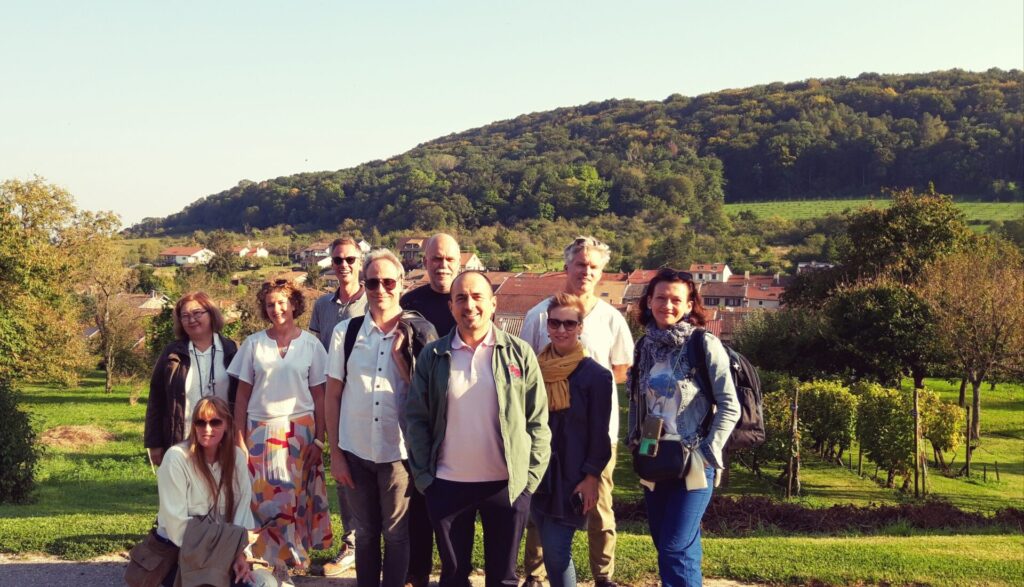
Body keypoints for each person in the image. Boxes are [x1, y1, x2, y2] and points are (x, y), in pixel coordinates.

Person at [406, 270, 550, 587]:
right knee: (454, 577)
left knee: (503, 579)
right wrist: (425, 479)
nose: (469, 305)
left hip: (506, 486)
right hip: (447, 485)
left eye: (477, 296)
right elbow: (415, 417)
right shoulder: (434, 354)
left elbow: (538, 421)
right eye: (460, 298)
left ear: (493, 303)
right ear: (451, 307)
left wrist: (529, 481)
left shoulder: (519, 353)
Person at [519, 236, 633, 587]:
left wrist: (578, 390)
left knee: (598, 505)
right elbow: (526, 366)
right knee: (538, 507)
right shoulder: (539, 314)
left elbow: (620, 370)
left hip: (597, 433)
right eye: (580, 264)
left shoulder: (612, 318)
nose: (586, 271)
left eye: (593, 266)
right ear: (567, 266)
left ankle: (603, 575)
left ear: (601, 272)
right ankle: (535, 574)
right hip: (545, 432)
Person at [325, 249, 437, 587]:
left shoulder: (420, 331)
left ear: (401, 283)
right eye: (373, 282)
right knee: (366, 533)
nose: (381, 289)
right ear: (365, 284)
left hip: (398, 453)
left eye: (388, 282)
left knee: (397, 533)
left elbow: (431, 397)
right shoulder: (346, 332)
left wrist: (405, 363)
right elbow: (332, 395)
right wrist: (336, 455)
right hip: (356, 450)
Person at [626, 268, 740, 586]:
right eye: (660, 297)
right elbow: (639, 401)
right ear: (649, 301)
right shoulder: (643, 346)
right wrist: (635, 440)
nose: (668, 305)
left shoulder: (703, 345)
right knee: (669, 545)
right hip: (653, 454)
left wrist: (707, 452)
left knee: (675, 548)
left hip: (693, 460)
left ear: (690, 305)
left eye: (677, 299)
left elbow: (730, 405)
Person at [228, 280, 332, 586]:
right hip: (260, 431)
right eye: (271, 304)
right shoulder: (253, 344)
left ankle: (285, 564)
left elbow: (321, 395)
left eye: (283, 302)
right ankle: (266, 565)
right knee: (264, 501)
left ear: (295, 304)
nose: (277, 309)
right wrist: (238, 436)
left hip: (299, 430)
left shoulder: (312, 345)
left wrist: (319, 438)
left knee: (294, 499)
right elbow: (242, 396)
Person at [530, 293, 612, 587]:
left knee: (555, 551)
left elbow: (599, 434)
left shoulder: (596, 376)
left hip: (571, 477)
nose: (561, 330)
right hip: (538, 475)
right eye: (555, 323)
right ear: (547, 325)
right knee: (549, 547)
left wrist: (591, 478)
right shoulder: (534, 369)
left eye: (569, 323)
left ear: (580, 327)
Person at [155, 396, 273, 587]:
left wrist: (241, 555)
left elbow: (242, 514)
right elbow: (177, 530)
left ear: (226, 424)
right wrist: (232, 542)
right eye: (200, 422)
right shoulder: (176, 459)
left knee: (264, 583)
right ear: (193, 426)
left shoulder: (237, 458)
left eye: (215, 422)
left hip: (224, 553)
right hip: (183, 555)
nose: (207, 429)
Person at [398, 232, 461, 587]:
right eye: (436, 259)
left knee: (454, 503)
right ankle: (417, 573)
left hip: (463, 415)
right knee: (419, 500)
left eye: (449, 259)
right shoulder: (410, 303)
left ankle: (455, 574)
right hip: (421, 415)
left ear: (459, 261)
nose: (443, 265)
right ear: (424, 263)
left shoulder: (469, 298)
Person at [309, 236, 367, 577]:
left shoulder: (374, 300)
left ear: (359, 262)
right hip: (336, 403)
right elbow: (316, 358)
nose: (343, 265)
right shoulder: (322, 306)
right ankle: (353, 543)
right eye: (337, 260)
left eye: (349, 259)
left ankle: (380, 543)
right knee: (344, 474)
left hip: (369, 402)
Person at [145, 291, 239, 468]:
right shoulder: (172, 354)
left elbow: (241, 399)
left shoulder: (232, 351)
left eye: (197, 313)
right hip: (182, 440)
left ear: (211, 314)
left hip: (223, 441)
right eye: (185, 316)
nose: (191, 320)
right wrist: (154, 442)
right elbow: (156, 399)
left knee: (220, 492)